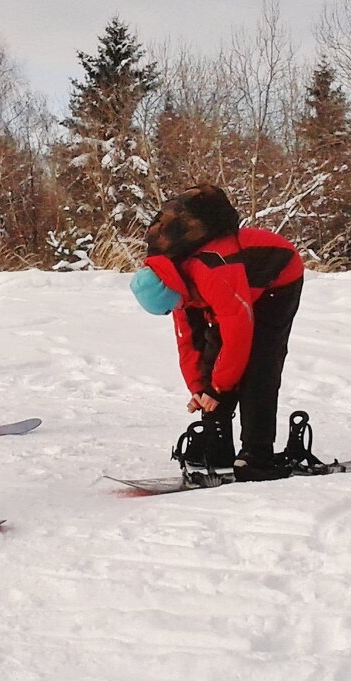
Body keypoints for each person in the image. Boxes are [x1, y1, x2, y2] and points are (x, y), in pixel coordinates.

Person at [130, 184, 305, 482]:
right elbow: (189, 343)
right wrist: (199, 389)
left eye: (175, 303)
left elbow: (238, 335)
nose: (180, 307)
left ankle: (256, 457)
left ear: (172, 288)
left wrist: (217, 388)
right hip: (234, 291)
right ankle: (218, 446)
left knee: (259, 365)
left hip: (278, 281)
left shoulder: (211, 272)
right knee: (214, 355)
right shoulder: (175, 284)